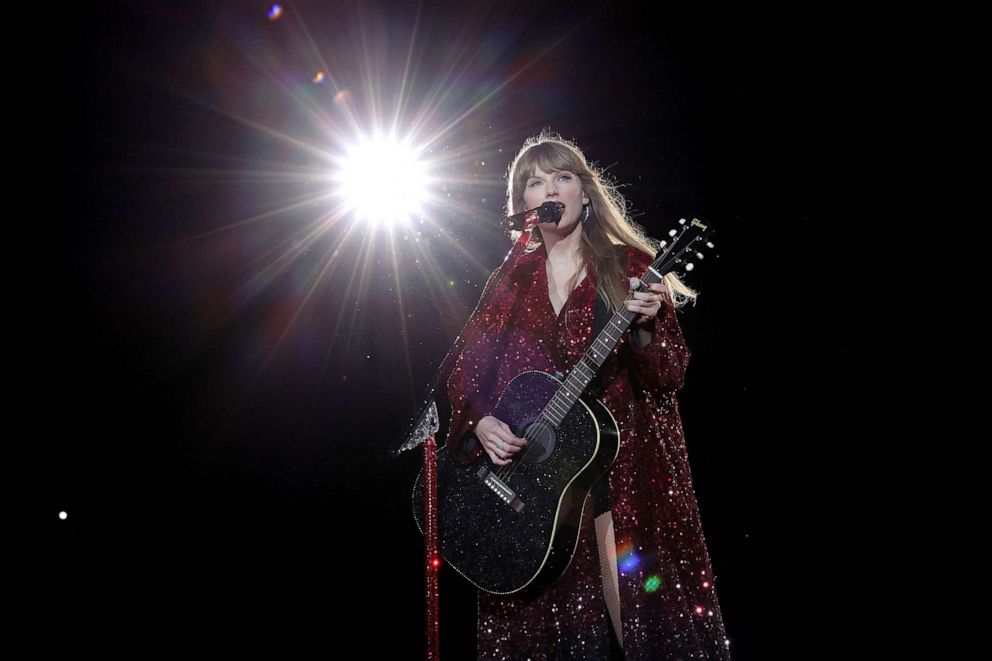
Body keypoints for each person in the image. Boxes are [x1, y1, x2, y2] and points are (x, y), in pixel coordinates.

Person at [445, 131, 731, 659]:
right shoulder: (509, 284)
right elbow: (465, 372)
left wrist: (645, 327)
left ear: (585, 193)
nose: (549, 188)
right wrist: (479, 421)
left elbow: (669, 376)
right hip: (538, 488)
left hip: (619, 473)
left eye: (562, 176)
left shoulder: (629, 269)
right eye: (535, 182)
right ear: (522, 206)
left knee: (639, 621)